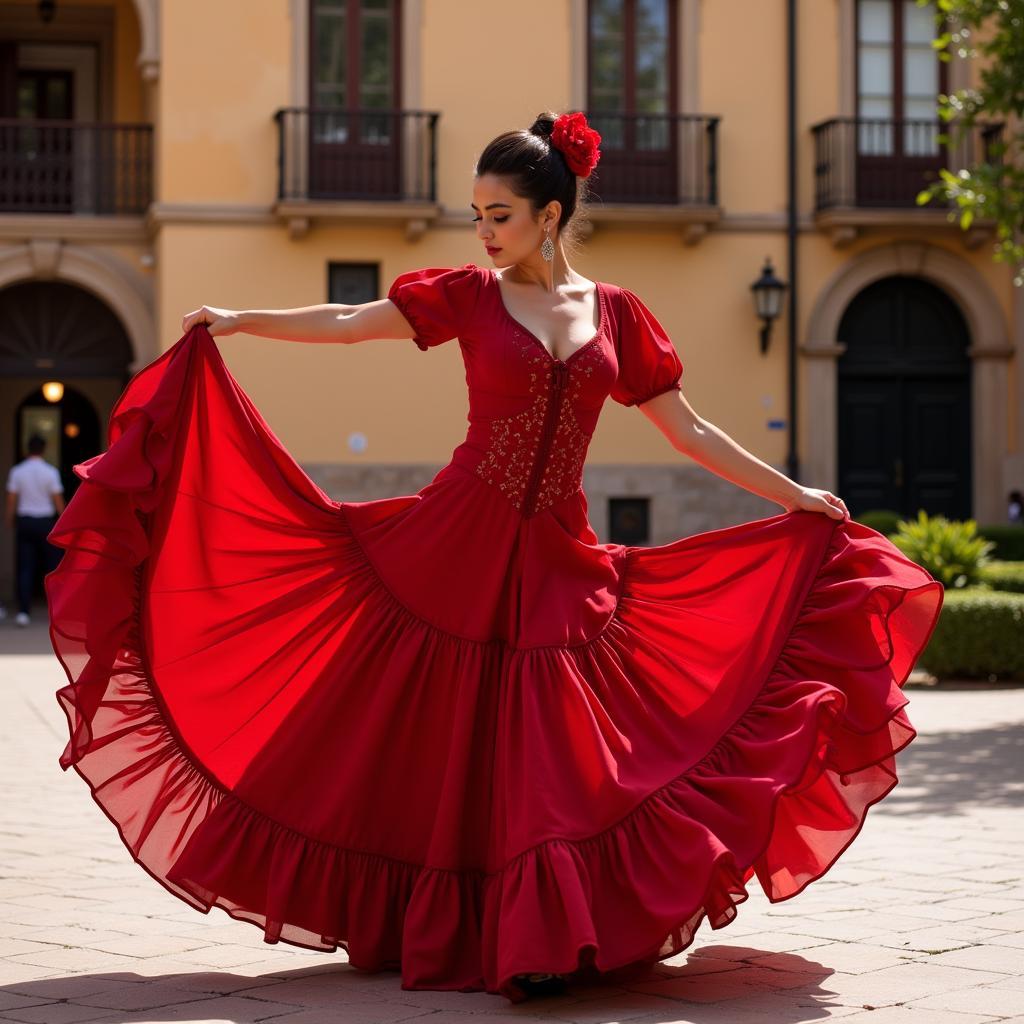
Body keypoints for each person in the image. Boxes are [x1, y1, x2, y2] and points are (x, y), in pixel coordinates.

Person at [46, 110, 944, 1004]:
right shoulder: (470, 295)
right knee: (415, 735)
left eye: (499, 214)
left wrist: (792, 496)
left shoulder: (619, 314)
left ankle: (544, 934)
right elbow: (356, 320)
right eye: (476, 214)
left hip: (558, 554)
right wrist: (243, 320)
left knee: (548, 747)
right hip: (454, 542)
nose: (482, 231)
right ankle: (455, 921)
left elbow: (690, 428)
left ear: (550, 215)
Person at [5, 433, 65, 626]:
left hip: (25, 521)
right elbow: (57, 500)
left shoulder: (17, 471)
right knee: (52, 567)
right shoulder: (50, 472)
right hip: (45, 521)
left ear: (27, 449)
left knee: (25, 567)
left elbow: (12, 499)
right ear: (44, 450)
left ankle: (24, 611)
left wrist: (9, 519)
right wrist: (64, 521)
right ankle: (56, 610)